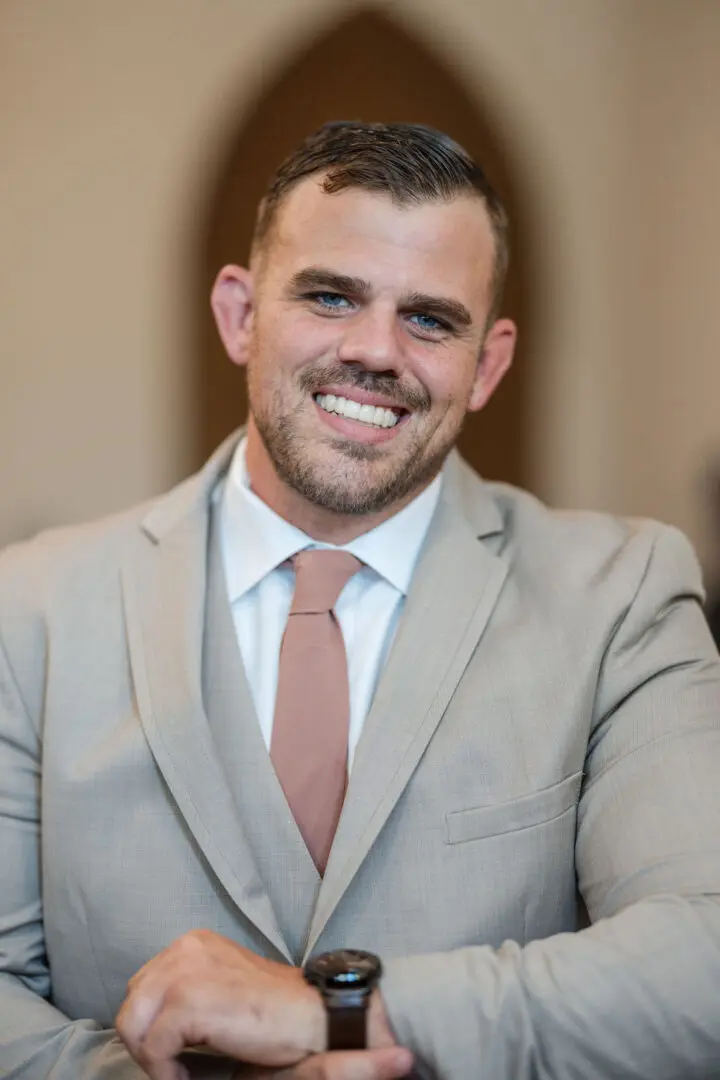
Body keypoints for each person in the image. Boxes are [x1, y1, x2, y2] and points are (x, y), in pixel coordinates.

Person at [1, 121, 719, 1080]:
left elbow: (704, 966)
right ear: (240, 314)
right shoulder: (28, 610)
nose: (376, 351)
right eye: (331, 296)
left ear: (489, 365)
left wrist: (340, 1021)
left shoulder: (621, 596)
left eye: (430, 318)